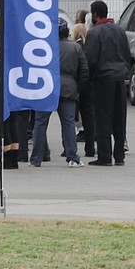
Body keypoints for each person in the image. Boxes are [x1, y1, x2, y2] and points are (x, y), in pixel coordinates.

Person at [30, 18, 88, 168]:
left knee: (40, 123)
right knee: (68, 123)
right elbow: (84, 72)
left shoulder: (44, 48)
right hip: (68, 87)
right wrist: (78, 88)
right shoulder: (75, 48)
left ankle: (36, 158)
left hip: (46, 87)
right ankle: (72, 157)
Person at [85, 0, 130, 166]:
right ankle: (119, 156)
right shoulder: (120, 30)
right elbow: (126, 54)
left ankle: (104, 156)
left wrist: (88, 79)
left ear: (95, 15)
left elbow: (90, 58)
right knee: (119, 118)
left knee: (103, 117)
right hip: (119, 77)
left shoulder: (95, 33)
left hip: (103, 79)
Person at [72, 22, 96, 157]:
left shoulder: (75, 47)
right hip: (90, 86)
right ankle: (90, 147)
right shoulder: (89, 46)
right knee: (89, 117)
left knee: (70, 118)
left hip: (77, 85)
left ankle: (69, 148)